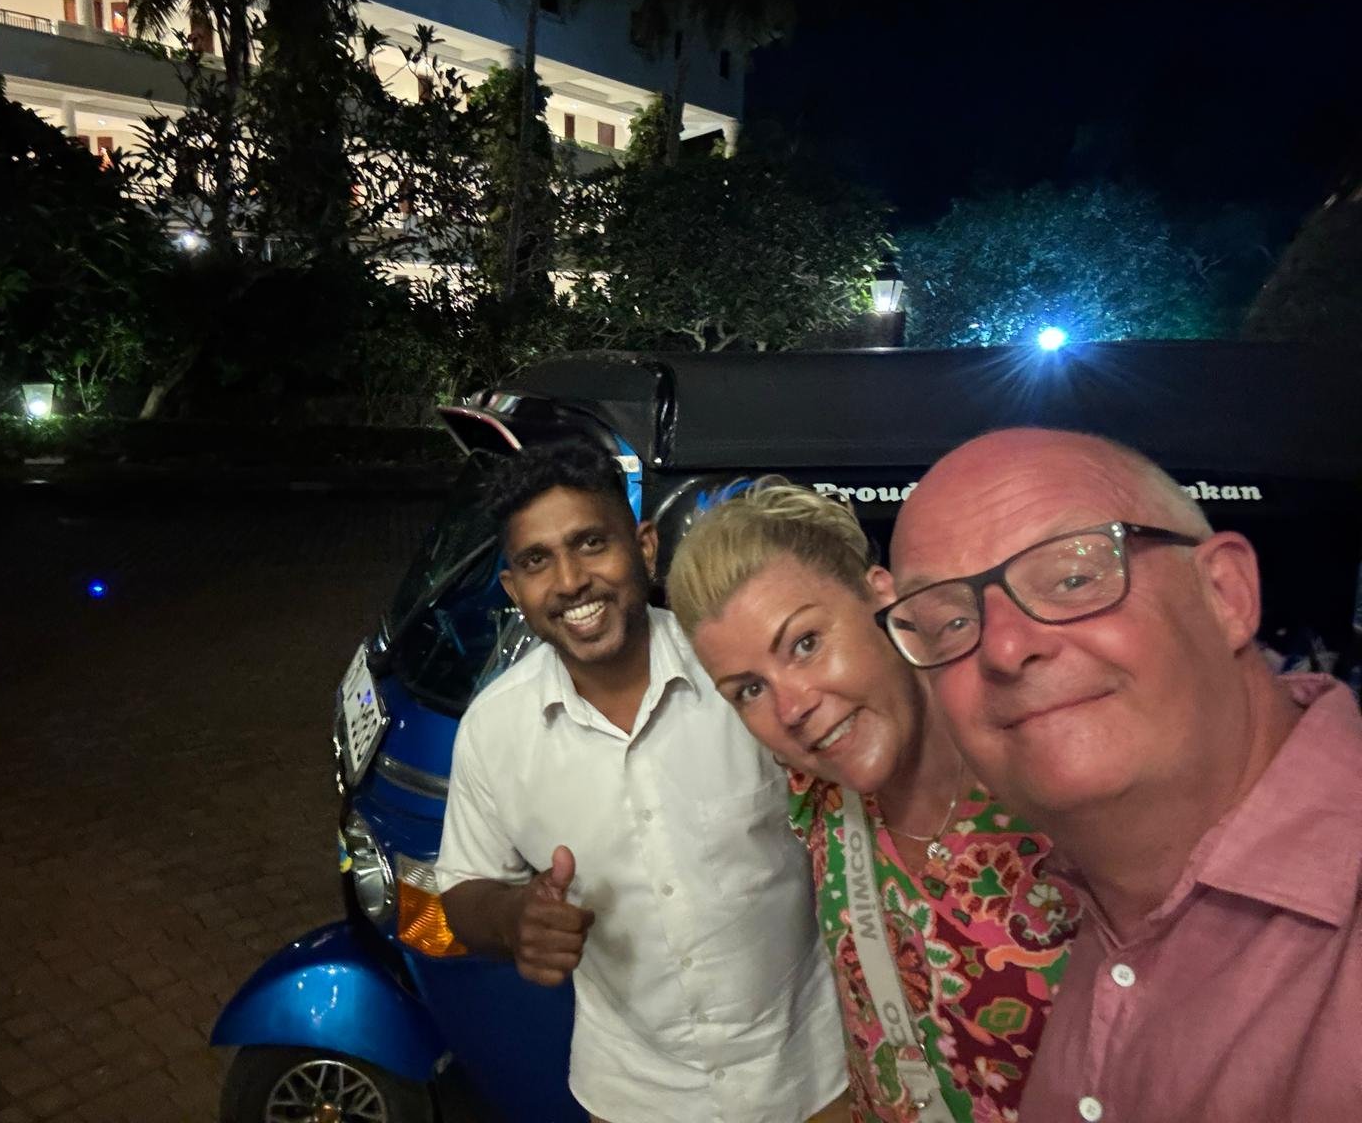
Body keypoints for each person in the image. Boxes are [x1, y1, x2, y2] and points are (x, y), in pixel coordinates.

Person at [886, 427, 1362, 1121]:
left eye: (1073, 578)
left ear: (1225, 593)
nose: (1005, 648)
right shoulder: (1109, 891)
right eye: (950, 622)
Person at [436, 443, 850, 1123]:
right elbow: (459, 893)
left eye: (591, 543)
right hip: (634, 1095)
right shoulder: (492, 730)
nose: (570, 581)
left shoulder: (739, 673)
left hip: (814, 1075)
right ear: (514, 591)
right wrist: (511, 919)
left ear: (645, 548)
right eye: (537, 561)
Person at [667, 480, 1081, 1123]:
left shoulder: (1058, 786)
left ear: (883, 597)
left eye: (806, 643)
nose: (791, 707)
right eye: (748, 690)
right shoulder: (818, 795)